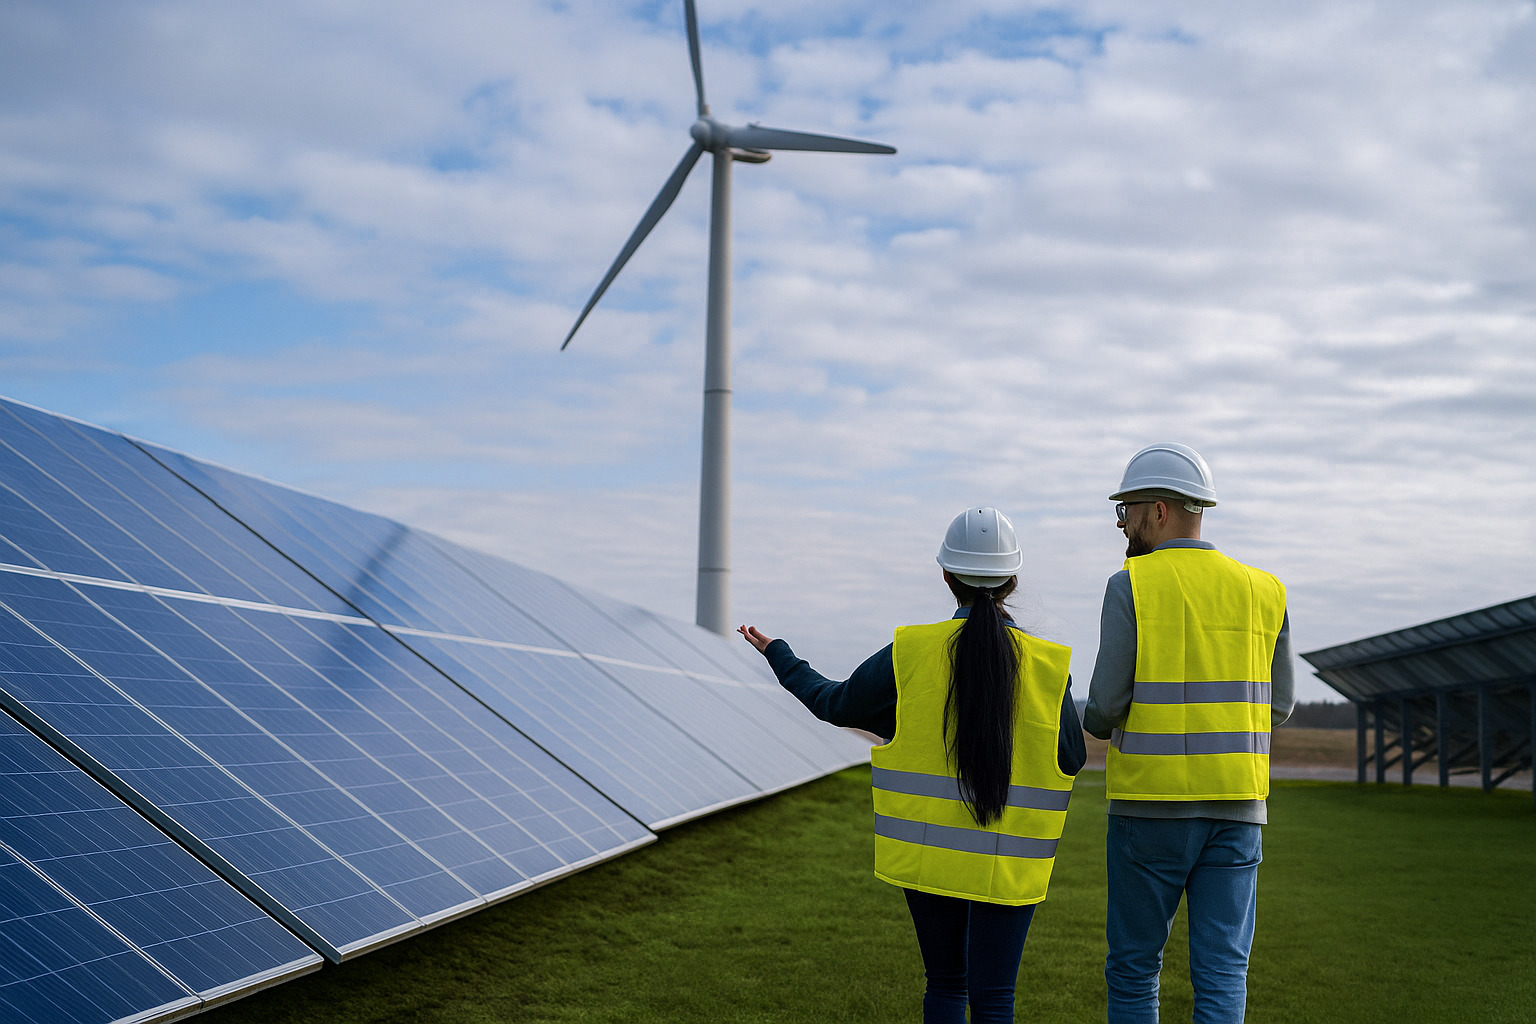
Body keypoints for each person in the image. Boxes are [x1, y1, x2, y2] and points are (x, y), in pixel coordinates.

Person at [738, 506, 1086, 1024]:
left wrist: (780, 656)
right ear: (1012, 580)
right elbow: (1071, 758)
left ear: (946, 576)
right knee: (995, 997)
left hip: (929, 856)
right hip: (1011, 860)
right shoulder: (1048, 664)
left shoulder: (910, 652)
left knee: (945, 984)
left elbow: (835, 704)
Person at [1082, 443, 1294, 1024]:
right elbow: (1279, 706)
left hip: (1148, 810)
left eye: (1125, 510)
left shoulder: (1131, 584)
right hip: (1239, 809)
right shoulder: (1265, 589)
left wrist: (1094, 722)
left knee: (1134, 970)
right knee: (1223, 974)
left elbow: (1103, 708)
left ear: (1158, 511)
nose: (1121, 524)